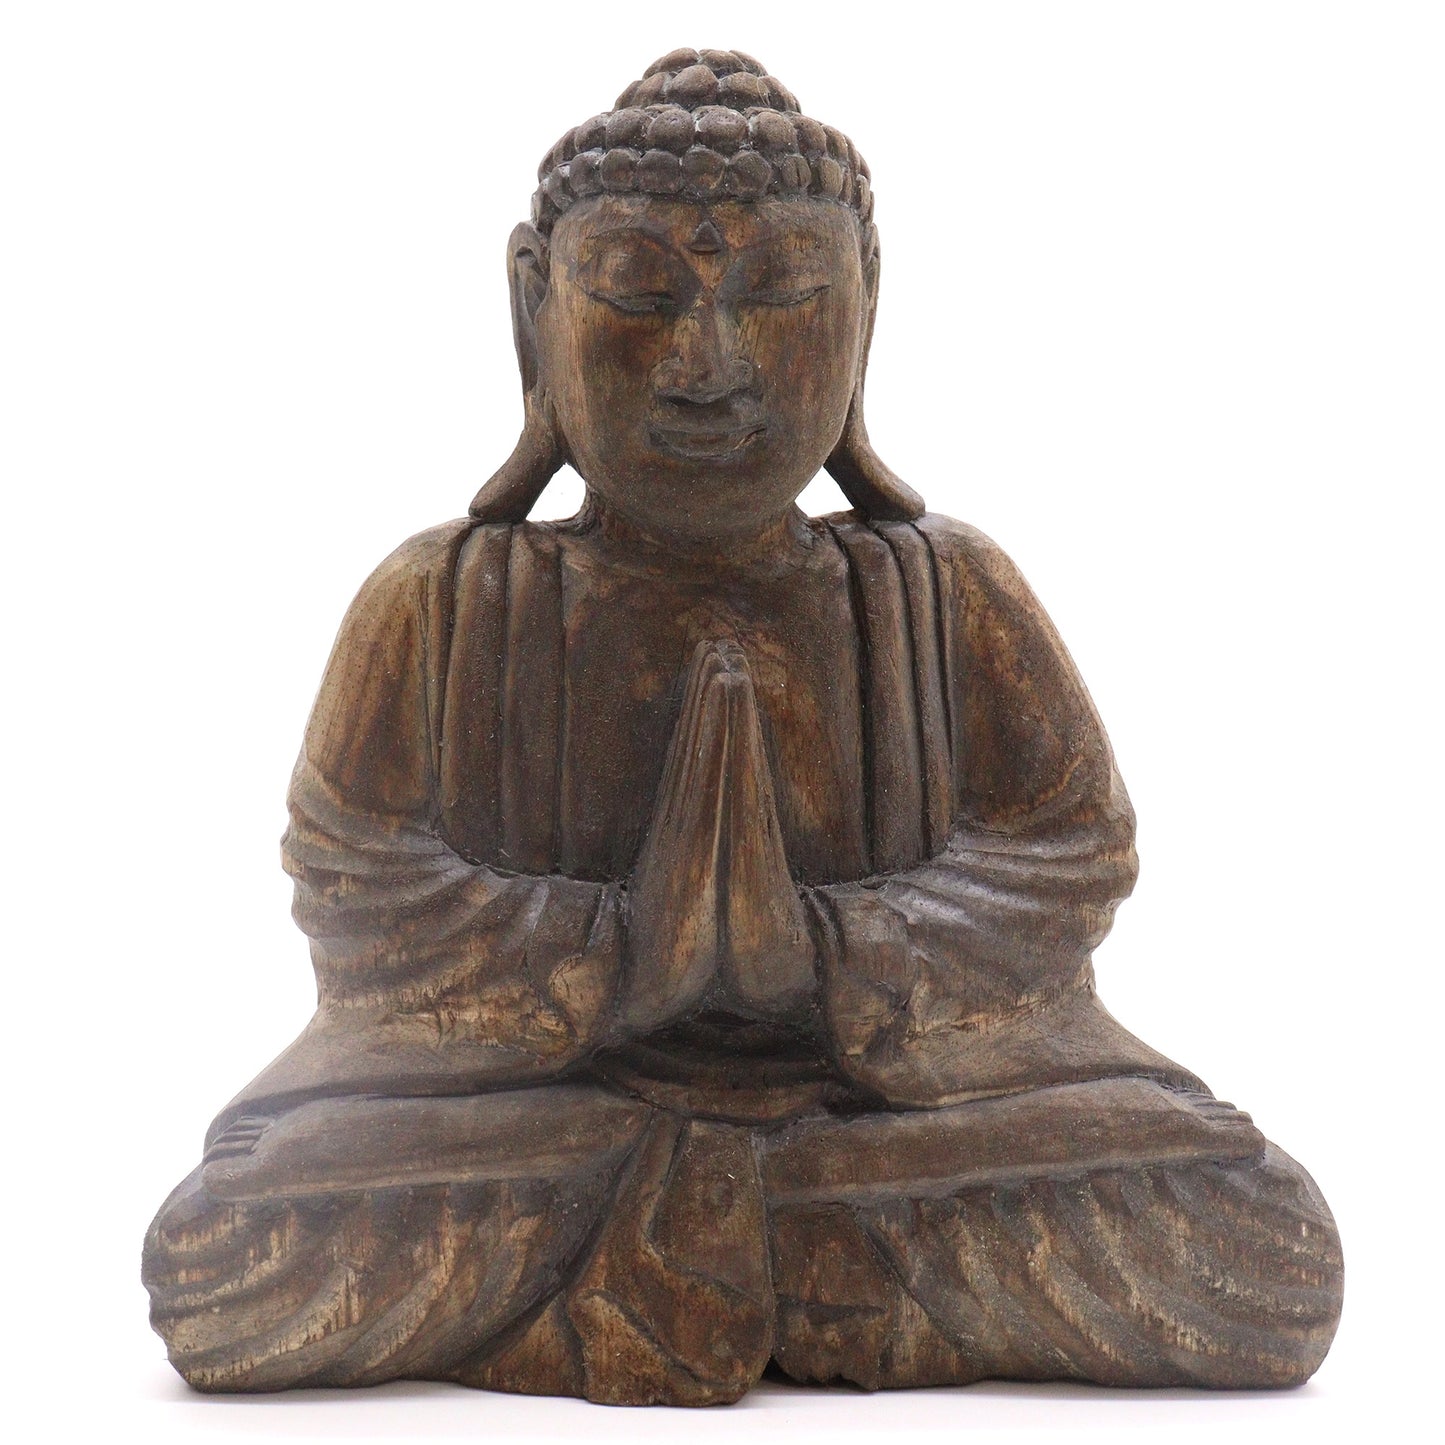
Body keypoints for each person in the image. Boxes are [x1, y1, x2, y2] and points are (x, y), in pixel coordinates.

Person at [144, 49, 1342, 1404]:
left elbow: (1065, 855)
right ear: (534, 312)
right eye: (638, 296)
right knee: (229, 1245)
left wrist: (822, 954)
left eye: (777, 294)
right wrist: (618, 954)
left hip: (866, 1114)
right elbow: (358, 881)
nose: (707, 367)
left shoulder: (943, 593)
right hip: (549, 1116)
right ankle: (807, 1259)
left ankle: (674, 1264)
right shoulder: (446, 601)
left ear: (866, 313)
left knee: (1257, 1230)